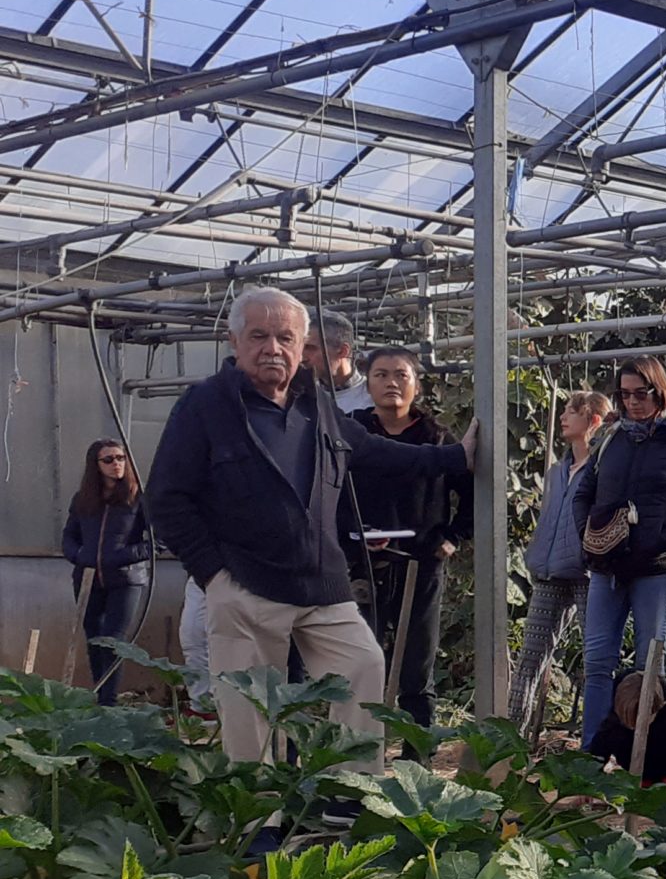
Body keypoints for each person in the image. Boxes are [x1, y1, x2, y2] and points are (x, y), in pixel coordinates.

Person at [147, 286, 469, 765]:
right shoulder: (205, 406)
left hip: (321, 579)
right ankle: (259, 817)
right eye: (259, 336)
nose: (272, 348)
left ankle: (349, 788)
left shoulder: (313, 403)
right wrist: (214, 574)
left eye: (285, 337)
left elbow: (374, 450)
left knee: (363, 664)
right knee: (252, 703)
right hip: (245, 579)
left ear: (302, 348)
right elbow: (166, 497)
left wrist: (456, 456)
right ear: (234, 342)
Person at [571, 356, 666, 752]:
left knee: (649, 668)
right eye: (625, 394)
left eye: (641, 393)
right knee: (598, 662)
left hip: (657, 569)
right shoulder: (611, 439)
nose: (633, 402)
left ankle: (645, 758)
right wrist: (589, 536)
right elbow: (584, 491)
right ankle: (592, 759)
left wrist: (659, 541)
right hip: (607, 567)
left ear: (659, 390)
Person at [348, 345, 471, 728]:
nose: (391, 383)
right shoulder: (353, 431)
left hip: (421, 562)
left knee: (418, 660)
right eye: (381, 375)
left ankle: (418, 749)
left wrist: (452, 536)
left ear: (416, 385)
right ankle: (361, 743)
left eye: (401, 375)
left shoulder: (435, 438)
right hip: (362, 562)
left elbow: (471, 493)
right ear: (367, 384)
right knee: (362, 656)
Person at [512, 390, 610, 730]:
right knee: (530, 658)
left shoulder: (604, 468)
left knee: (596, 660)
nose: (564, 417)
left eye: (572, 411)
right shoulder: (556, 471)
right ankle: (512, 739)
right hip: (550, 573)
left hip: (588, 574)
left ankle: (598, 741)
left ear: (593, 421)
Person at [60, 438, 152, 702]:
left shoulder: (138, 497)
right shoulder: (83, 499)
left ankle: (108, 703)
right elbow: (69, 536)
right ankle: (100, 697)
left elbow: (159, 540)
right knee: (94, 639)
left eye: (121, 458)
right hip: (88, 579)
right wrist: (79, 556)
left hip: (126, 580)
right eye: (109, 460)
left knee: (113, 641)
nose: (116, 465)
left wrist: (124, 556)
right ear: (96, 465)